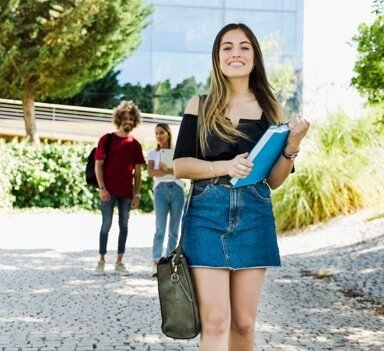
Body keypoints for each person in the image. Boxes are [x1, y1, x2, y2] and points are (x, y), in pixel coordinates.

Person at [173, 23, 310, 350]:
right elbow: (180, 166)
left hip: (254, 214)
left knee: (244, 324)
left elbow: (274, 181)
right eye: (228, 47)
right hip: (206, 212)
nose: (236, 53)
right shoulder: (200, 105)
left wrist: (292, 146)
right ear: (217, 58)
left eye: (244, 47)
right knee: (217, 321)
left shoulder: (271, 109)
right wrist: (225, 166)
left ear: (254, 57)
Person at [93, 100, 146, 276]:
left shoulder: (135, 145)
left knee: (124, 225)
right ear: (119, 119)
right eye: (125, 118)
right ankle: (101, 261)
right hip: (108, 191)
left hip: (126, 193)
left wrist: (137, 194)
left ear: (135, 121)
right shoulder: (106, 139)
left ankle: (119, 262)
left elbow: (138, 173)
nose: (128, 122)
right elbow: (98, 165)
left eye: (131, 119)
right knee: (106, 225)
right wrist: (102, 188)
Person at [147, 123, 185, 277]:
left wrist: (167, 170)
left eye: (161, 132)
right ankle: (156, 262)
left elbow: (181, 172)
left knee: (174, 230)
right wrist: (169, 172)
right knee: (160, 229)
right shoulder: (153, 154)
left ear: (168, 133)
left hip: (177, 189)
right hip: (161, 190)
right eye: (156, 133)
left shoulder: (178, 153)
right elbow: (151, 172)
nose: (158, 136)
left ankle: (170, 261)